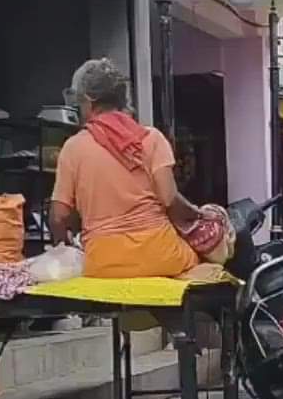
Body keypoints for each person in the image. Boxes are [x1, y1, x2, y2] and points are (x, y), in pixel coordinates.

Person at [49, 58, 203, 278]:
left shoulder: (73, 148)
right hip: (161, 257)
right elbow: (170, 199)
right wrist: (196, 214)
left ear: (88, 100)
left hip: (102, 264)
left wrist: (65, 250)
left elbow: (58, 218)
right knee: (205, 258)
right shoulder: (151, 139)